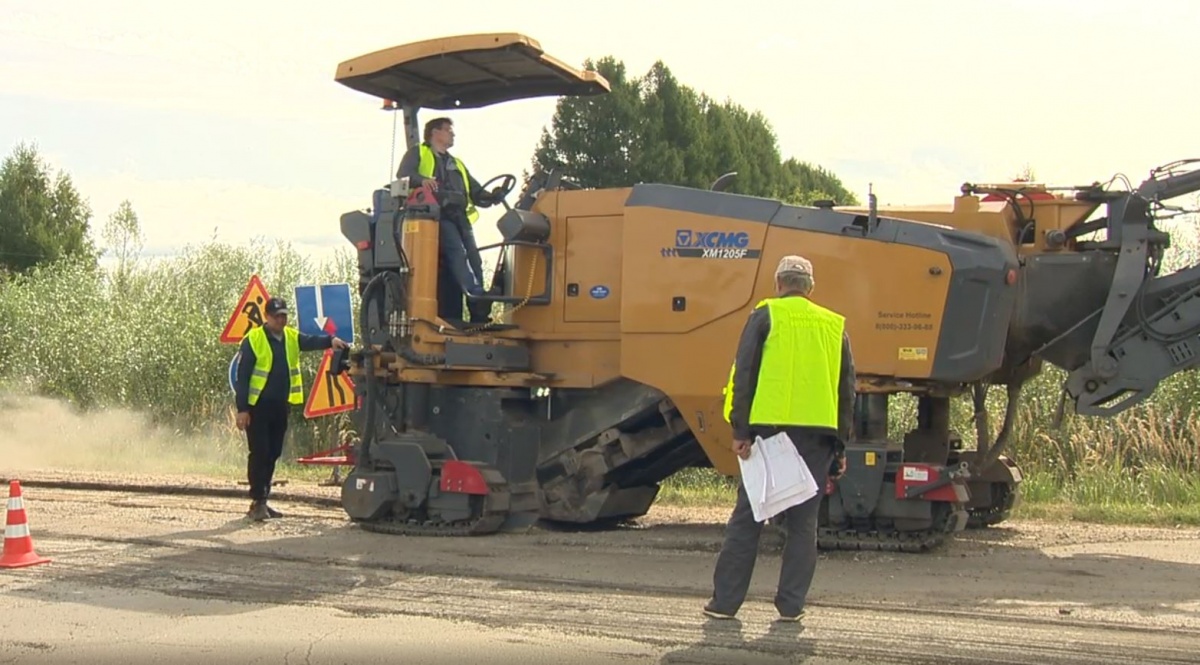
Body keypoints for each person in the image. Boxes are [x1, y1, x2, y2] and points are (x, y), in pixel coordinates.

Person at [704, 255, 856, 623]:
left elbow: (745, 375)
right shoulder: (834, 326)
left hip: (769, 434)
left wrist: (740, 431)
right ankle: (791, 606)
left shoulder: (765, 315)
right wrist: (840, 447)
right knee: (804, 525)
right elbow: (847, 390)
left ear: (778, 284)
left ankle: (725, 604)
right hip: (817, 438)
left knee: (749, 518)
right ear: (810, 289)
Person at [234, 296, 348, 521]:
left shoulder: (290, 336)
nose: (281, 320)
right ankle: (258, 500)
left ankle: (263, 500)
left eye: (284, 316)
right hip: (258, 408)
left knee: (274, 452)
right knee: (260, 453)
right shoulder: (253, 339)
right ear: (267, 317)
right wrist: (242, 409)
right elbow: (243, 377)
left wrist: (331, 340)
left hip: (280, 406)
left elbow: (311, 341)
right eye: (277, 316)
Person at [396, 116, 502, 324]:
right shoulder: (419, 153)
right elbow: (404, 175)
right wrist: (423, 181)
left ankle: (479, 313)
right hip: (435, 217)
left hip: (460, 217)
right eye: (449, 130)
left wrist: (492, 196)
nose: (452, 134)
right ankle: (476, 295)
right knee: (458, 254)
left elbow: (475, 191)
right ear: (435, 132)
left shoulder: (456, 164)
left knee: (475, 260)